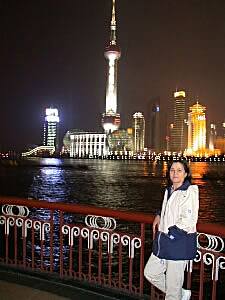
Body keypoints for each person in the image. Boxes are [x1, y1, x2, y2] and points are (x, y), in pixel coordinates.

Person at [144, 160, 199, 300]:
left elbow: (188, 220)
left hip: (177, 244)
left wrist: (171, 235)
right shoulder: (169, 190)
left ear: (186, 174)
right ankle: (181, 293)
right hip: (165, 243)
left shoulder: (189, 192)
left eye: (179, 170)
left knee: (172, 293)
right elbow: (168, 209)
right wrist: (158, 214)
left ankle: (177, 294)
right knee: (150, 273)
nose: (175, 173)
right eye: (172, 170)